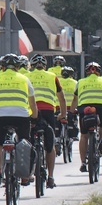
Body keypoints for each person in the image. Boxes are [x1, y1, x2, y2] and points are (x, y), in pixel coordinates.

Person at [0, 53, 39, 188]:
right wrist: (35, 116)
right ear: (17, 67)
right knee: (24, 142)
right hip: (21, 116)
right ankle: (25, 175)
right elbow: (32, 103)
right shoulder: (24, 79)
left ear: (2, 67)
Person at [71, 61, 102, 173]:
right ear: (99, 72)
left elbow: (75, 99)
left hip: (84, 108)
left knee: (84, 136)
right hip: (100, 107)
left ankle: (83, 162)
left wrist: (71, 111)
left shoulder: (80, 82)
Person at [28, 53, 67, 188]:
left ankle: (28, 173)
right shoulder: (52, 76)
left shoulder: (26, 76)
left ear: (31, 66)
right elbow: (61, 98)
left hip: (31, 112)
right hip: (48, 111)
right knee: (50, 145)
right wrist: (63, 114)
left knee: (28, 141)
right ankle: (50, 177)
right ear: (45, 66)